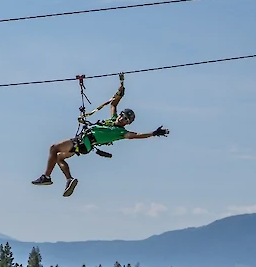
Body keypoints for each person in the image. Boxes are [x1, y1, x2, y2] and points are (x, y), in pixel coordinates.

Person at [31, 77, 169, 196]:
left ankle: (46, 177)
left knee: (53, 148)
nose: (122, 119)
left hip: (83, 142)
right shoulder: (113, 119)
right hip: (84, 143)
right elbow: (114, 104)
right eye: (123, 115)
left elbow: (137, 135)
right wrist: (121, 88)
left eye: (126, 119)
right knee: (59, 156)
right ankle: (69, 179)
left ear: (127, 123)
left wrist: (153, 133)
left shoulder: (120, 132)